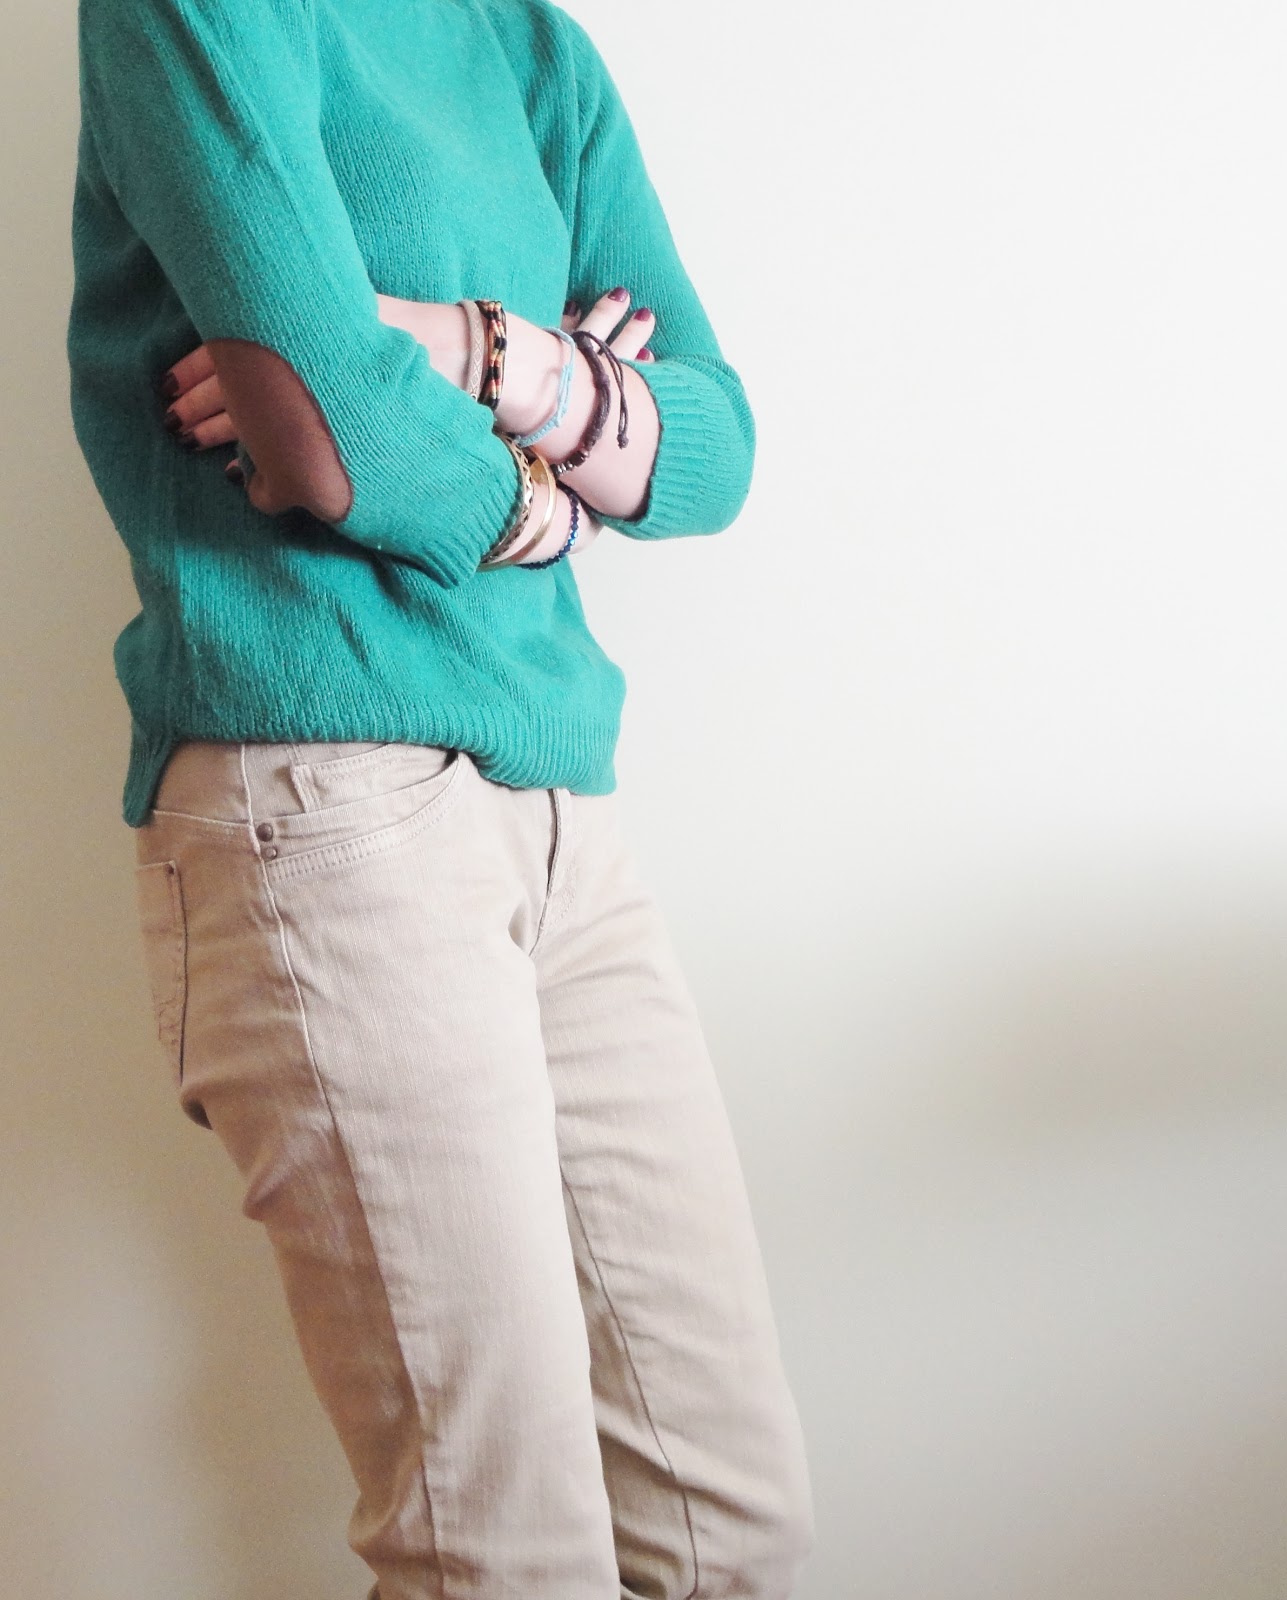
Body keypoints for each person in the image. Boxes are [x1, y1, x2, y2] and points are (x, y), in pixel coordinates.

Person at [66, 0, 816, 1595]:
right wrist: (559, 481)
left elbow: (715, 447)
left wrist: (472, 350)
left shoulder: (527, 44)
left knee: (730, 1525)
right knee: (503, 1555)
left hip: (563, 816)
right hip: (322, 801)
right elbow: (326, 431)